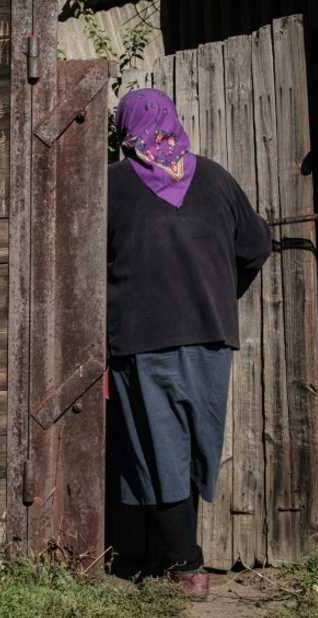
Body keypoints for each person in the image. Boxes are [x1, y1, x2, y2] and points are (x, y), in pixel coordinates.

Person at [106, 88, 272, 599]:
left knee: (160, 452)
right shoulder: (215, 178)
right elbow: (257, 246)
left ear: (127, 131)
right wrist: (220, 292)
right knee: (194, 446)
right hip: (209, 337)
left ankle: (185, 567)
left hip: (143, 340)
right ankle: (178, 562)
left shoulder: (112, 185)